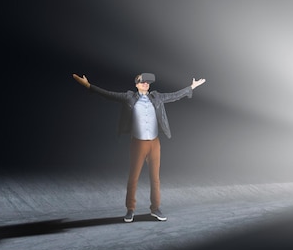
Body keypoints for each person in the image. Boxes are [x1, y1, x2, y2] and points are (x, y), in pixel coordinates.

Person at [72, 72, 206, 222]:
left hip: (155, 143)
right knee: (133, 178)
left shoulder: (157, 97)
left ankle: (155, 208)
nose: (146, 84)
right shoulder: (129, 97)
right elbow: (108, 94)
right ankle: (130, 209)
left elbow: (175, 95)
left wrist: (191, 87)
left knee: (155, 178)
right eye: (143, 82)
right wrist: (88, 86)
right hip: (138, 143)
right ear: (136, 84)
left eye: (148, 82)